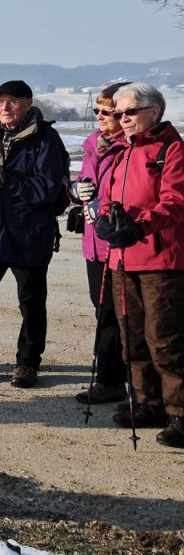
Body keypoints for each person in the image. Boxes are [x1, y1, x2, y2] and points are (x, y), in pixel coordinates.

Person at [0, 80, 69, 388]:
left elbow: (47, 189)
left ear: (28, 104)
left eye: (12, 102)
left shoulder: (46, 139)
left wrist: (6, 180)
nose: (4, 108)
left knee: (31, 302)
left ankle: (28, 363)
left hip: (30, 234)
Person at [94, 82, 184, 448]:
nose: (122, 119)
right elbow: (108, 196)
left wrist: (140, 225)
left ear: (153, 111)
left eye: (128, 112)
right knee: (131, 336)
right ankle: (147, 402)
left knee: (165, 338)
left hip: (161, 259)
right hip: (122, 259)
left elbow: (176, 201)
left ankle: (180, 412)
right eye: (118, 113)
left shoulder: (171, 150)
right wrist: (104, 219)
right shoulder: (121, 150)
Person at [69, 82, 130, 404]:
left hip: (122, 241)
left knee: (123, 315)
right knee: (103, 309)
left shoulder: (130, 147)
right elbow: (83, 181)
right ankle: (111, 380)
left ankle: (122, 381)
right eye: (98, 111)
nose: (101, 116)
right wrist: (77, 190)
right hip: (95, 242)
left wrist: (102, 202)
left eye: (108, 112)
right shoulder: (94, 143)